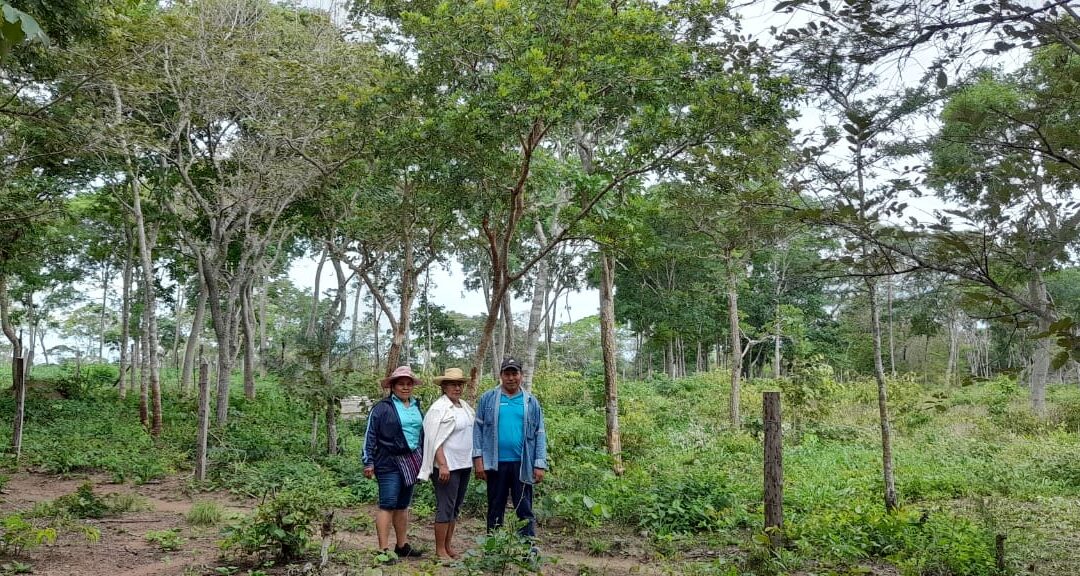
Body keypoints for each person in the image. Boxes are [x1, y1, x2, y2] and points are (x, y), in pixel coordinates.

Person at [472, 357, 548, 538]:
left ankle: (527, 550)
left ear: (521, 375)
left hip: (522, 464)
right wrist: (478, 460)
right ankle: (493, 549)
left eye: (515, 373)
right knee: (495, 507)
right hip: (495, 463)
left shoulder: (530, 401)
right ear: (501, 375)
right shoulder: (488, 399)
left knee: (524, 509)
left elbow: (539, 433)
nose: (511, 378)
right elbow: (478, 430)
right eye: (507, 373)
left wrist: (539, 463)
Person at [363, 365, 424, 559]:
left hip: (411, 461)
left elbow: (422, 434)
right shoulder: (382, 408)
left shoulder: (416, 406)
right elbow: (370, 435)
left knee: (403, 505)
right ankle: (383, 550)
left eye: (408, 384)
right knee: (387, 504)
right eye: (401, 384)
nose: (405, 387)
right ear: (393, 387)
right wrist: (368, 461)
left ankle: (402, 545)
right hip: (388, 461)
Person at [418, 367, 475, 561]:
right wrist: (442, 464)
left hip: (463, 464)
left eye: (460, 384)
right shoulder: (438, 409)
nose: (457, 388)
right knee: (445, 506)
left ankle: (448, 546)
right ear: (444, 386)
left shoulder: (464, 406)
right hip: (447, 466)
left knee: (455, 507)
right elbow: (434, 439)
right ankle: (440, 550)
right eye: (452, 384)